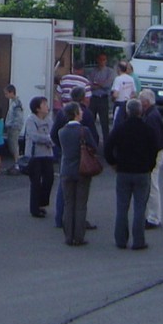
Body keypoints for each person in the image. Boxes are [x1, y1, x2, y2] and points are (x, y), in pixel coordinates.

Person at [104, 99, 158, 250]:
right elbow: (154, 150)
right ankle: (139, 241)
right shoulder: (147, 129)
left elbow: (108, 147)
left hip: (123, 171)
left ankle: (121, 240)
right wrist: (150, 166)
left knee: (122, 207)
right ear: (140, 111)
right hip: (142, 172)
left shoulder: (120, 128)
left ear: (127, 111)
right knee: (140, 208)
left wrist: (114, 163)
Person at [58, 101, 97, 246]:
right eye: (80, 111)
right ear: (75, 113)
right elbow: (94, 146)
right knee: (80, 204)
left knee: (69, 204)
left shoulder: (61, 131)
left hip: (66, 170)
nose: (82, 113)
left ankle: (68, 235)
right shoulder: (84, 131)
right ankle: (79, 236)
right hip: (82, 170)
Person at [139, 88, 163, 229]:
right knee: (151, 186)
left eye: (141, 102)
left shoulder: (151, 117)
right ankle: (152, 215)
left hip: (153, 155)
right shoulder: (153, 114)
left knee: (152, 186)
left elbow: (153, 140)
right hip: (156, 153)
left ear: (146, 102)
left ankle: (154, 217)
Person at [23, 96, 54, 219]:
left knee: (49, 179)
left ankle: (42, 203)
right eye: (44, 104)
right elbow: (34, 136)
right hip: (34, 155)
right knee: (35, 182)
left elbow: (54, 134)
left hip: (48, 154)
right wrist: (48, 139)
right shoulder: (31, 120)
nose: (47, 107)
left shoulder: (49, 119)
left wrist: (49, 139)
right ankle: (35, 209)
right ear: (37, 108)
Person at [87, 53, 116, 141]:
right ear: (97, 60)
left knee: (104, 122)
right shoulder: (93, 71)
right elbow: (90, 84)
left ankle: (107, 141)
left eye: (104, 60)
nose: (102, 62)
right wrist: (100, 84)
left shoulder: (110, 71)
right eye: (100, 59)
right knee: (91, 120)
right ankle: (92, 140)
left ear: (106, 61)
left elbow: (108, 84)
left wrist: (98, 84)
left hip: (103, 98)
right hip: (94, 98)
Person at [3, 84, 25, 174]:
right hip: (12, 126)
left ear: (11, 93)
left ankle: (17, 163)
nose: (5, 96)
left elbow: (18, 117)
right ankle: (16, 163)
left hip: (14, 127)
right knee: (12, 145)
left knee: (14, 145)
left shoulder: (16, 103)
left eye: (6, 93)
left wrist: (13, 125)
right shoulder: (13, 102)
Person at [110, 61, 136, 126]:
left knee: (117, 124)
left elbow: (115, 94)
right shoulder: (131, 79)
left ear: (119, 69)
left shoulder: (118, 79)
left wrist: (113, 98)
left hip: (119, 104)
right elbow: (134, 93)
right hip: (128, 104)